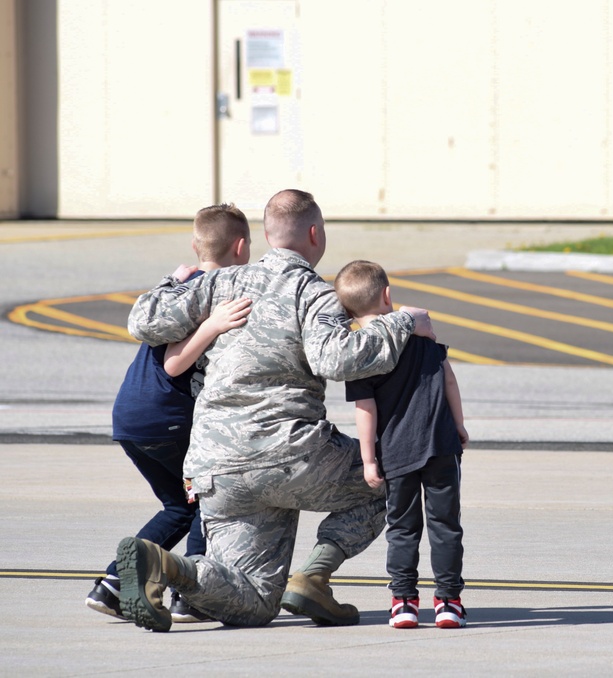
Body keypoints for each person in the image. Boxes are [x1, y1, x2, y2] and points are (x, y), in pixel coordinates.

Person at [115, 188, 437, 632]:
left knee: (253, 602)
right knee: (388, 481)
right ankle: (315, 575)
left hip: (216, 467)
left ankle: (170, 567)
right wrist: (401, 322)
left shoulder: (219, 282)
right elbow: (336, 360)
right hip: (290, 454)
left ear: (266, 236)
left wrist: (175, 281)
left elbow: (142, 321)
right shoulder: (315, 293)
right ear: (314, 234)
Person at [85, 203, 252, 622]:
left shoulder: (177, 287)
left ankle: (111, 587)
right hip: (167, 416)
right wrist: (213, 326)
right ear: (243, 247)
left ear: (196, 245)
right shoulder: (216, 295)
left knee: (179, 507)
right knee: (205, 501)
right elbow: (175, 363)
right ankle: (190, 596)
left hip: (130, 415)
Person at [335, 260, 470, 629]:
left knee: (403, 528)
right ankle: (448, 602)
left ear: (347, 310)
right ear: (388, 296)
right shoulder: (423, 338)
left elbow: (366, 409)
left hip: (395, 452)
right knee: (445, 525)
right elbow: (450, 381)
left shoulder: (362, 353)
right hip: (440, 444)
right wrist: (458, 424)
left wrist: (367, 460)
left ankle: (404, 602)